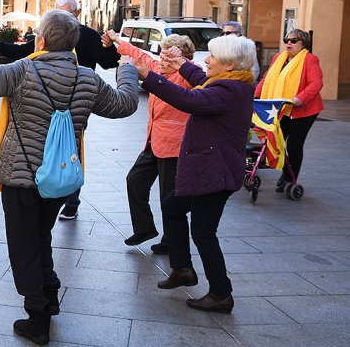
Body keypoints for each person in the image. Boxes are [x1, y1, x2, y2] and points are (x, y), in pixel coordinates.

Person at [0, 9, 139, 345]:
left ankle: (38, 317)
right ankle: (48, 296)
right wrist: (127, 69)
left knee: (24, 246)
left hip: (21, 177)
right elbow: (125, 104)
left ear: (42, 40)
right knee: (41, 237)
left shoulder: (24, 70)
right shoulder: (87, 79)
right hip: (60, 178)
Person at [136, 34, 256, 313]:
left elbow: (191, 99)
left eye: (212, 57)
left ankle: (220, 293)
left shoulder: (228, 91)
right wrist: (181, 64)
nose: (207, 60)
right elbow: (200, 79)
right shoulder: (229, 82)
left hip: (215, 174)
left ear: (229, 65)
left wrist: (151, 78)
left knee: (203, 232)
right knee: (172, 207)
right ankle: (182, 269)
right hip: (209, 171)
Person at [0, 0, 121, 221]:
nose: (61, 18)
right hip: (45, 100)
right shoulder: (49, 39)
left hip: (75, 103)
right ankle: (46, 187)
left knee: (70, 148)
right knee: (44, 146)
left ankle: (70, 198)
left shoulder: (89, 37)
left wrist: (113, 50)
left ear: (77, 15)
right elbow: (23, 52)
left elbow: (108, 62)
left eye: (66, 14)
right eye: (58, 13)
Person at [103, 31, 194, 254]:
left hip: (174, 146)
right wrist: (116, 40)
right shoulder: (158, 69)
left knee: (167, 197)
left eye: (167, 59)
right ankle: (145, 228)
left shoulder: (187, 76)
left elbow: (201, 78)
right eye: (161, 57)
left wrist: (181, 64)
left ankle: (170, 241)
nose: (161, 62)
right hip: (154, 142)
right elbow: (139, 54)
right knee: (135, 181)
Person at [255, 29, 323, 191]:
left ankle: (290, 179)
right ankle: (286, 172)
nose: (288, 43)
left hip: (304, 110)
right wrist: (255, 95)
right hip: (281, 108)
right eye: (286, 40)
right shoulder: (279, 57)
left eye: (293, 40)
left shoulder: (310, 59)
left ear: (303, 43)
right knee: (275, 141)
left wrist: (300, 98)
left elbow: (316, 83)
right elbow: (266, 78)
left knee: (294, 145)